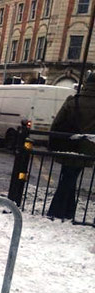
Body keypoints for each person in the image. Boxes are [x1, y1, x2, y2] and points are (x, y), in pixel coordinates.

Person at [47, 71, 95, 219]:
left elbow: (56, 124)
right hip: (89, 148)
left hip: (69, 144)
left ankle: (58, 211)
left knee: (68, 177)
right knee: (70, 179)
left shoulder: (72, 101)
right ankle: (65, 211)